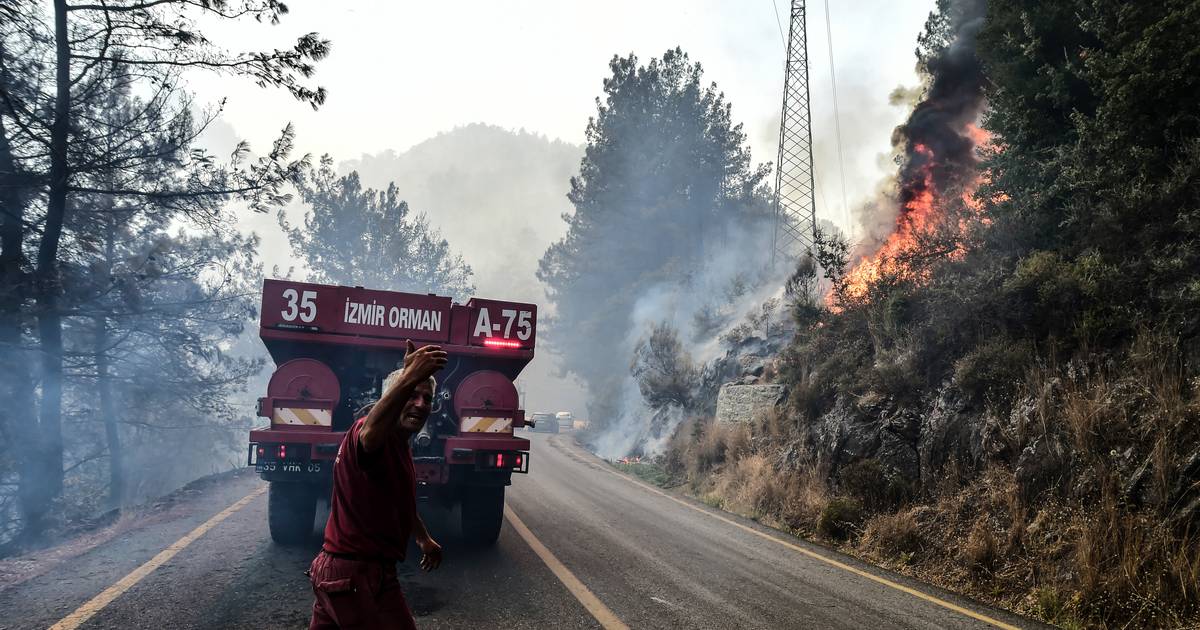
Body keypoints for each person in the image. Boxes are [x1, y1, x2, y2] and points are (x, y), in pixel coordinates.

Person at [308, 340, 448, 630]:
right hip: (356, 575)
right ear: (393, 398)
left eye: (427, 398)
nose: (420, 404)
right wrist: (407, 376)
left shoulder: (399, 447)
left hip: (346, 573)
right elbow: (372, 432)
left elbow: (400, 501)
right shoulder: (368, 436)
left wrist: (423, 538)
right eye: (412, 395)